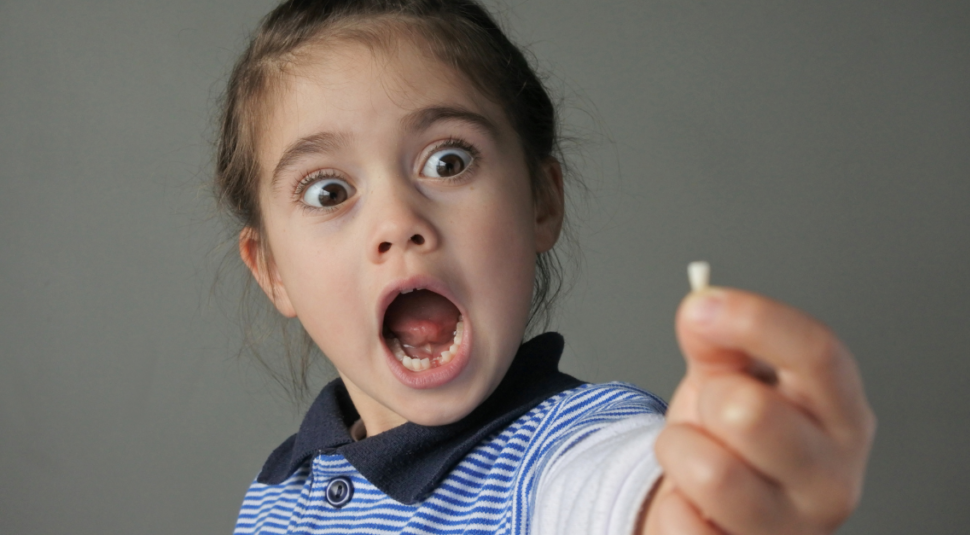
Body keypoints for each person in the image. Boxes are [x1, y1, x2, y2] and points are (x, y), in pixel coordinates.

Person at [215, 1, 875, 533]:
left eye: (448, 160)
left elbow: (628, 494)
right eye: (328, 191)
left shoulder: (565, 450)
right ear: (272, 269)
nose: (397, 222)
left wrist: (711, 504)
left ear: (542, 200)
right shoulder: (275, 493)